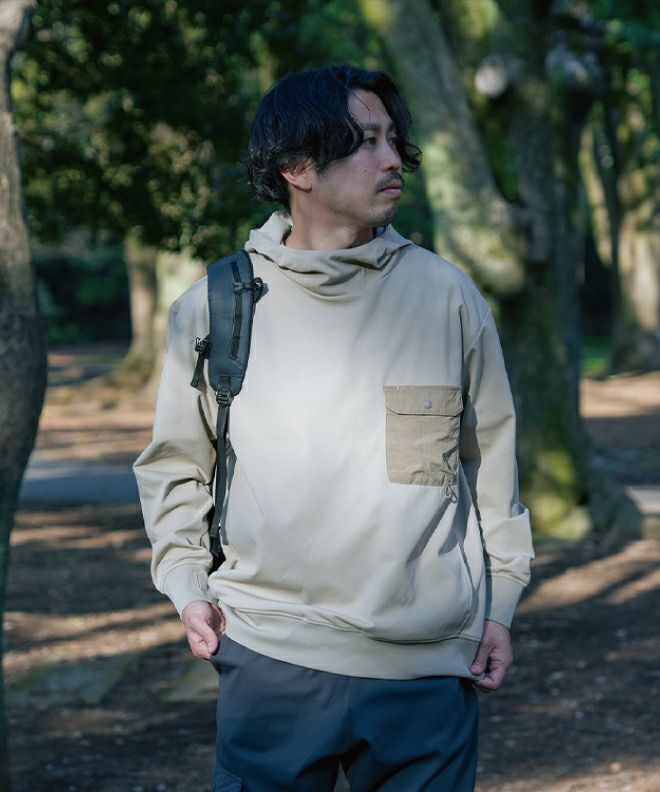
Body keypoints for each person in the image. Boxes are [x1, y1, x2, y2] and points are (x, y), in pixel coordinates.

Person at [134, 64, 534, 792]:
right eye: (366, 141)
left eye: (394, 140)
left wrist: (501, 606)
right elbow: (176, 466)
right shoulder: (218, 304)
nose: (393, 159)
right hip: (269, 659)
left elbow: (492, 466)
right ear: (298, 167)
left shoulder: (447, 296)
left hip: (426, 672)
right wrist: (188, 586)